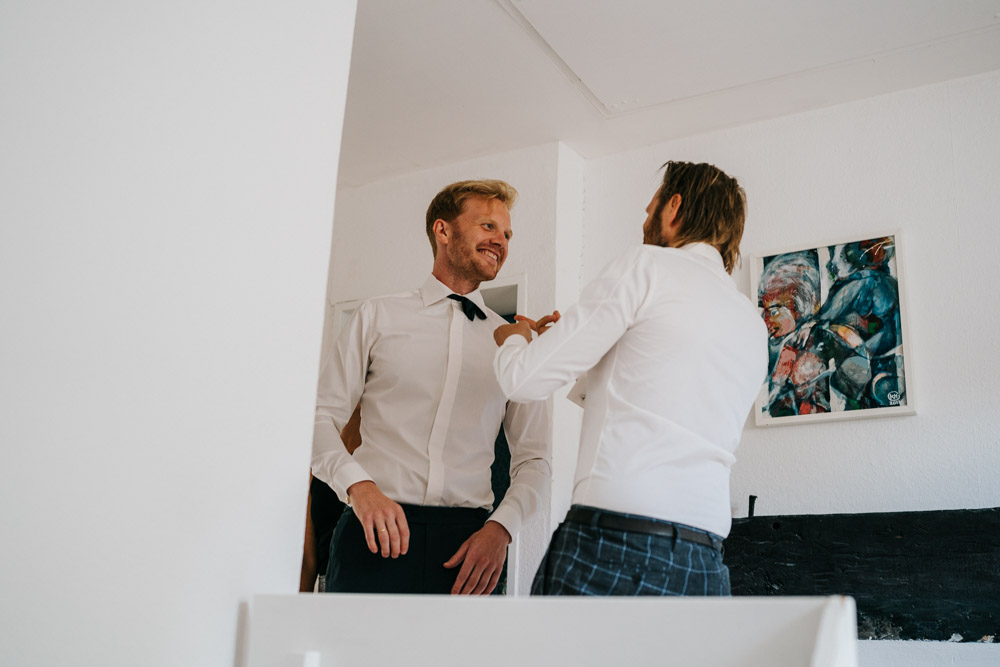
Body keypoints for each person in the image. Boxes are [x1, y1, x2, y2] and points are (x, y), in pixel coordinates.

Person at [493, 161, 768, 596]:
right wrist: (587, 344)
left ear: (673, 206)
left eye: (649, 208)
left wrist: (514, 339)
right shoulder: (752, 323)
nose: (643, 221)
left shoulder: (647, 266)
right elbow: (652, 390)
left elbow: (522, 382)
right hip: (704, 560)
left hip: (617, 544)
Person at [311, 179, 550, 595]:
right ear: (443, 231)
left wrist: (502, 529)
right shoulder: (376, 316)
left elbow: (535, 460)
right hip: (372, 531)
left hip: (469, 549)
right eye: (488, 226)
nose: (501, 241)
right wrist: (357, 486)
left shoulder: (516, 345)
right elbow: (319, 419)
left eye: (507, 234)